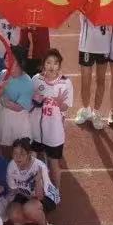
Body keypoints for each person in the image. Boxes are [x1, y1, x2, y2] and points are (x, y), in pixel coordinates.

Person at [30, 49, 70, 192]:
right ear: (43, 64)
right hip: (36, 131)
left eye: (55, 63)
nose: (52, 66)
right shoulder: (36, 79)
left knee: (54, 164)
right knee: (33, 161)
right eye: (48, 62)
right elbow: (31, 101)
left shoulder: (65, 83)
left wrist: (59, 103)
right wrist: (35, 99)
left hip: (54, 133)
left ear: (59, 65)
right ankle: (34, 189)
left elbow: (66, 107)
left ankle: (56, 190)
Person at [6, 138, 58, 225]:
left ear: (29, 154)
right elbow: (13, 189)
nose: (18, 157)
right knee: (13, 215)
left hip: (46, 197)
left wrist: (38, 180)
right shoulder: (11, 166)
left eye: (22, 154)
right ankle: (35, 216)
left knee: (29, 208)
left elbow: (40, 196)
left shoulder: (39, 167)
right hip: (25, 194)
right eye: (15, 154)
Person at [75, 13, 111, 130]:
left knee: (100, 80)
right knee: (85, 81)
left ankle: (96, 112)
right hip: (86, 46)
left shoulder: (108, 3)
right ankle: (86, 109)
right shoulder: (84, 4)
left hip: (104, 46)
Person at [0, 47, 33, 151]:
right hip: (3, 118)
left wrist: (1, 99)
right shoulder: (3, 74)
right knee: (3, 149)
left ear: (20, 62)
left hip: (19, 122)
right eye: (6, 60)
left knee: (19, 150)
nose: (7, 63)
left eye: (11, 60)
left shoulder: (27, 82)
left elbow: (18, 108)